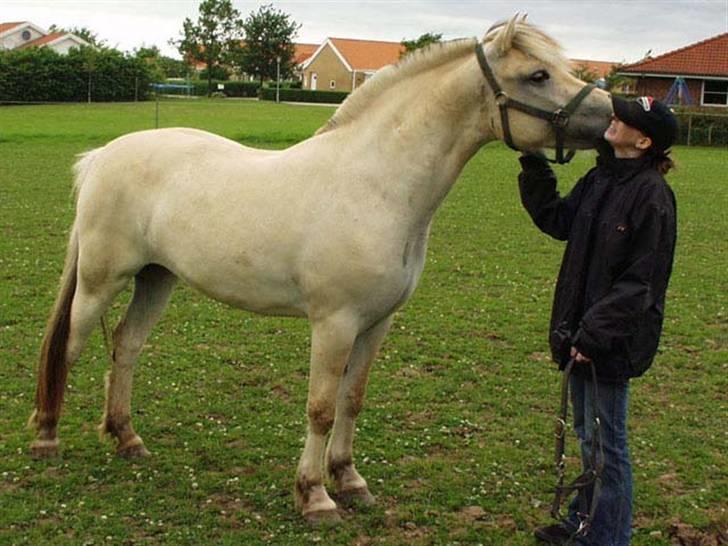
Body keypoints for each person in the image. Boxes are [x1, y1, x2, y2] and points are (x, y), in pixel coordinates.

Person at [518, 96, 678, 545]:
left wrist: (594, 334)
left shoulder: (652, 197)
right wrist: (534, 168)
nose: (615, 119)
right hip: (581, 334)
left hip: (608, 342)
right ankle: (582, 524)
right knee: (589, 436)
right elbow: (558, 220)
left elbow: (640, 284)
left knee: (608, 447)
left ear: (643, 141)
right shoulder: (601, 178)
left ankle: (608, 538)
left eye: (626, 120)